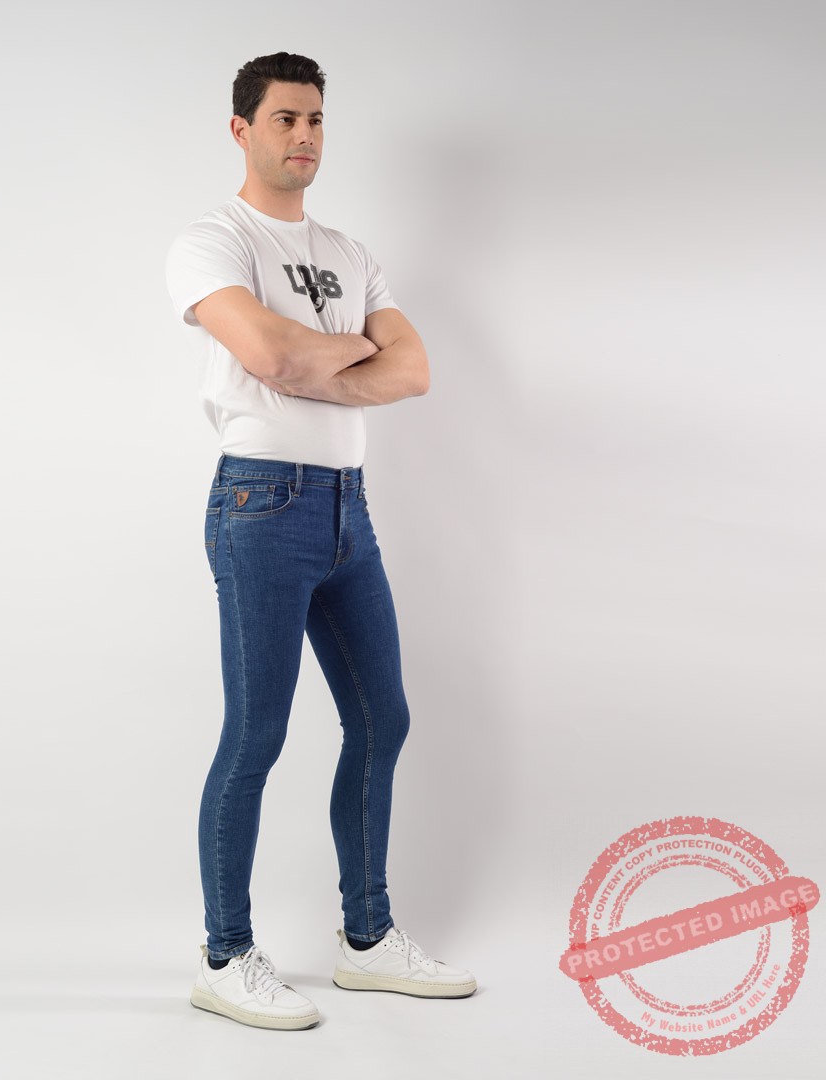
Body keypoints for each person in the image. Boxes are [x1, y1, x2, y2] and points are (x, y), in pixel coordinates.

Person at [165, 51, 476, 1031]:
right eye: (285, 119)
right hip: (261, 505)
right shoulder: (212, 240)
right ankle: (225, 956)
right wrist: (346, 350)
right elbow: (266, 354)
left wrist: (313, 361)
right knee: (256, 735)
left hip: (349, 510)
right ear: (242, 129)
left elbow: (415, 370)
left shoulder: (350, 252)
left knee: (384, 719)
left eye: (316, 121)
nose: (304, 136)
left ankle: (366, 940)